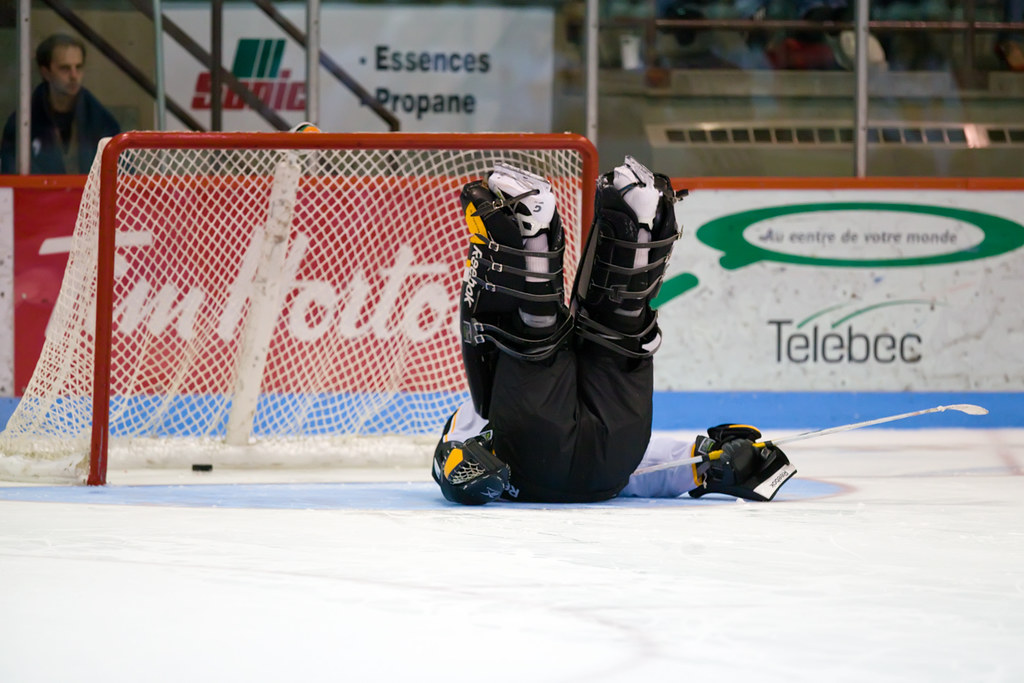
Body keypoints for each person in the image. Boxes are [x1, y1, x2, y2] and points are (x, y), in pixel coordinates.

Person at [432, 157, 797, 505]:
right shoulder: (500, 399)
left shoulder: (487, 406)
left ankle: (544, 253)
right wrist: (708, 463)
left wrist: (704, 464)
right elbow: (647, 463)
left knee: (553, 339)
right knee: (610, 330)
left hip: (569, 459)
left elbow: (448, 463)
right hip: (612, 451)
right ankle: (619, 235)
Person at [1, 33, 121, 174]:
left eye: (79, 67)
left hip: (90, 195)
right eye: (65, 68)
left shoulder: (102, 122)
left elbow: (123, 175)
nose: (74, 76)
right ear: (46, 73)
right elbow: (11, 176)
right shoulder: (22, 125)